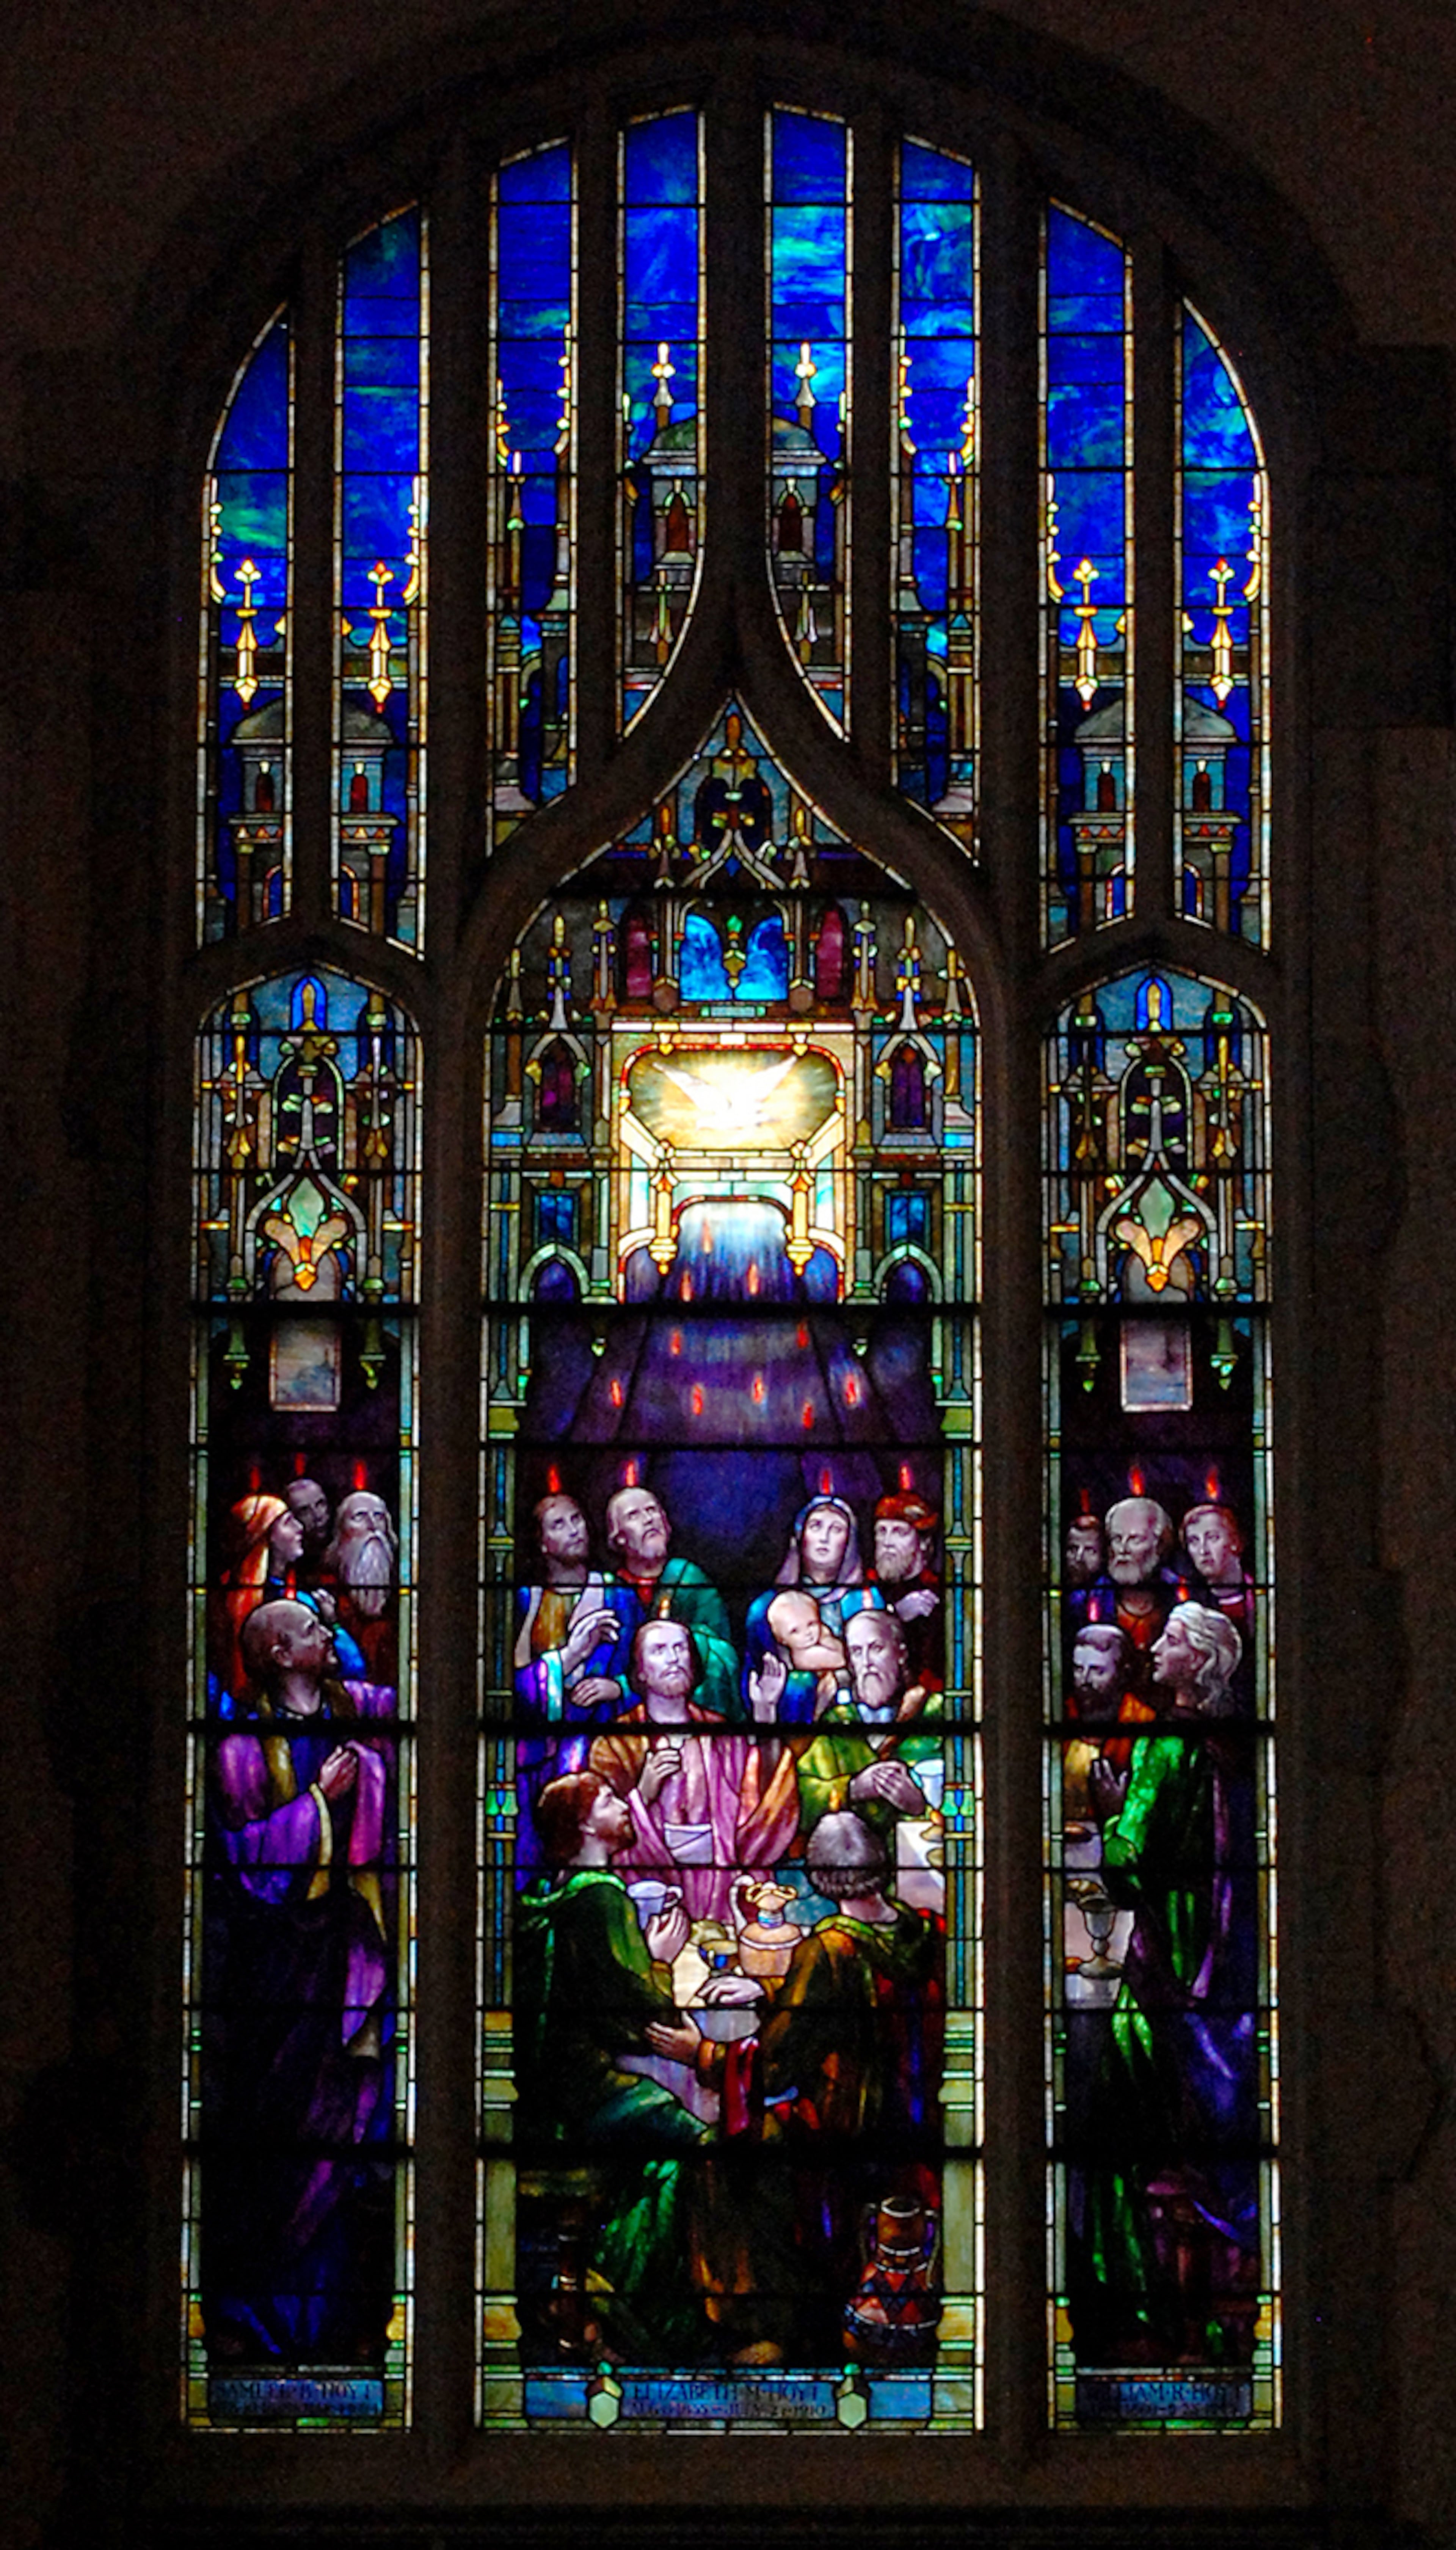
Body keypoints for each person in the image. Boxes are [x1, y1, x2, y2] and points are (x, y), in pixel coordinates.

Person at [203, 1599, 397, 2365]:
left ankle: (344, 2319)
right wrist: (323, 1803)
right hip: (279, 1971)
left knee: (350, 2127)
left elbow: (419, 1707)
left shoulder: (357, 1706)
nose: (330, 1638)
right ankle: (260, 2322)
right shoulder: (244, 1743)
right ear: (280, 1653)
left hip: (350, 1946)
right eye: (314, 1631)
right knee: (284, 2137)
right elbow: (247, 1857)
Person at [1075, 1602, 1259, 2369]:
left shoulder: (1165, 1745)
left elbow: (1130, 1861)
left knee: (1119, 2130)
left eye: (1176, 1639)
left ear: (1207, 1665)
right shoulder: (1230, 1748)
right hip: (1220, 1970)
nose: (1156, 1645)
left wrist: (1112, 1814)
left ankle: (1138, 2310)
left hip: (1163, 1973)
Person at [514, 1770, 713, 2363]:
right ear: (582, 1826)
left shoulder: (542, 1895)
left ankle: (601, 2286)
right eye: (608, 1799)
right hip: (581, 2099)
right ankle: (634, 2310)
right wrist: (660, 1961)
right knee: (697, 2144)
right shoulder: (600, 1895)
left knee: (658, 2147)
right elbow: (641, 2017)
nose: (625, 1806)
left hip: (539, 2093)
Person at [587, 1619, 799, 1925]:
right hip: (652, 1890)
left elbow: (762, 1801)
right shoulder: (616, 1744)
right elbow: (600, 1836)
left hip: (724, 1886)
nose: (674, 1658)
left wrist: (765, 1714)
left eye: (680, 1649)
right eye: (659, 1650)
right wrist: (643, 1795)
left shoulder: (721, 1733)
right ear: (641, 1670)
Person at [794, 1610, 942, 1840]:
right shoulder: (837, 1723)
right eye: (856, 1652)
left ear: (901, 1654)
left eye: (876, 1649)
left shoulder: (936, 1715)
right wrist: (853, 1789)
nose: (867, 1663)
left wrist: (919, 1807)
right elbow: (800, 1799)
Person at [604, 1484, 740, 1719]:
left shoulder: (688, 1578)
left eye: (652, 1511)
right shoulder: (610, 1592)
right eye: (634, 1516)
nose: (648, 1520)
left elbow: (722, 1652)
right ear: (620, 1539)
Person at [743, 1493, 881, 1701]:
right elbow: (761, 1671)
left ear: (849, 1543)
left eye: (836, 1529)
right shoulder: (767, 1607)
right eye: (816, 1526)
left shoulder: (867, 1600)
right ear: (801, 1536)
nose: (824, 1538)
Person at [513, 1490, 626, 1722]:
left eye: (577, 1519)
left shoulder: (618, 1594)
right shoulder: (527, 1600)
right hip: (542, 1740)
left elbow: (641, 1667)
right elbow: (514, 1682)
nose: (574, 1531)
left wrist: (619, 1689)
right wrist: (571, 1656)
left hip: (607, 1729)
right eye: (558, 1525)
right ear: (542, 1543)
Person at [1062, 1621, 1139, 1818]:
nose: (1085, 1681)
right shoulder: (1063, 1715)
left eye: (1098, 1671)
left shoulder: (1142, 1721)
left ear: (1123, 1674)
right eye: (1079, 1670)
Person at [321, 1489, 399, 1683]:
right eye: (360, 1517)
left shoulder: (405, 1587)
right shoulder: (325, 1586)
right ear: (341, 1531)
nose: (372, 1526)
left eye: (379, 1517)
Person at [866, 1491, 943, 1687]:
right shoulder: (865, 1589)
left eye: (900, 1533)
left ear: (924, 1543)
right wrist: (897, 1615)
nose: (887, 1542)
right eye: (882, 1531)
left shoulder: (942, 1593)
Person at [1181, 1501, 1255, 1644]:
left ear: (1235, 1541)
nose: (1203, 1551)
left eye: (1213, 1538)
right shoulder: (1189, 1602)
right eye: (1194, 1541)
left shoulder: (1258, 1595)